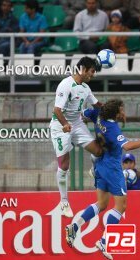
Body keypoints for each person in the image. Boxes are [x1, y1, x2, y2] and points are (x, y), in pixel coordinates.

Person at [65, 99, 140, 260]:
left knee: (102, 204)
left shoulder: (97, 115)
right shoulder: (113, 128)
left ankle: (75, 225)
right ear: (116, 113)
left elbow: (82, 115)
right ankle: (103, 241)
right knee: (121, 206)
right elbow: (127, 146)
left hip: (100, 164)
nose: (124, 112)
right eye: (122, 110)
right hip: (113, 168)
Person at [51, 57, 104, 218]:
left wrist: (112, 110)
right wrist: (65, 124)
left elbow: (97, 105)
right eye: (92, 71)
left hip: (77, 124)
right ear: (84, 69)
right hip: (61, 127)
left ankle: (94, 170)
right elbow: (57, 110)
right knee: (65, 165)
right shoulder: (66, 85)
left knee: (98, 151)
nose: (93, 75)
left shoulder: (86, 88)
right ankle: (64, 201)